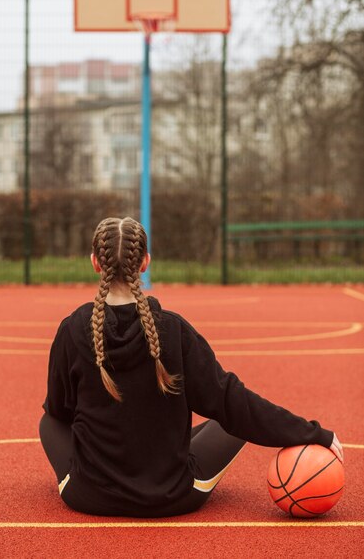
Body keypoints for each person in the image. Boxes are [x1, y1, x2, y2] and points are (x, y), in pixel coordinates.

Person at [39, 216, 343, 518]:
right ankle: (163, 455)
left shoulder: (72, 329)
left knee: (49, 420)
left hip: (91, 497)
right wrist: (314, 433)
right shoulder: (173, 330)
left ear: (95, 262)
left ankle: (98, 472)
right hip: (172, 497)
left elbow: (59, 411)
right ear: (145, 262)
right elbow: (233, 403)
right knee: (231, 420)